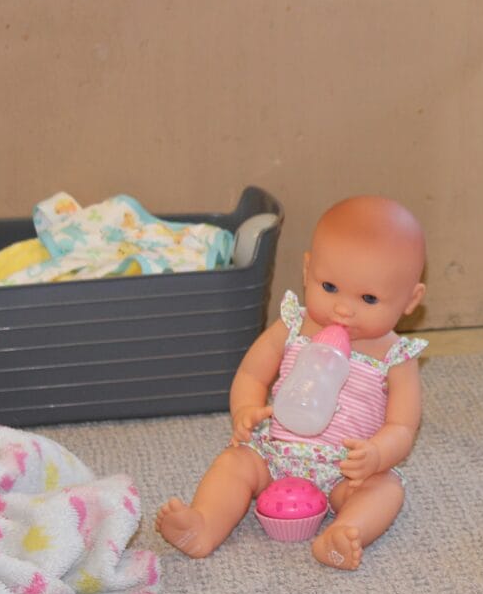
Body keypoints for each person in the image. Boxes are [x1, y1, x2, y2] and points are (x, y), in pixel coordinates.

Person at [155, 195, 427, 568]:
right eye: (329, 287)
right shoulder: (295, 325)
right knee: (234, 462)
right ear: (307, 270)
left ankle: (345, 533)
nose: (343, 309)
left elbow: (402, 425)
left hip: (346, 469)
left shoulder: (396, 356)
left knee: (387, 489)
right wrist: (246, 410)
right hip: (275, 452)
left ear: (411, 300)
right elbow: (253, 373)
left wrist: (376, 454)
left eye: (368, 298)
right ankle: (203, 525)